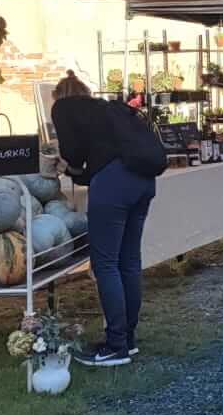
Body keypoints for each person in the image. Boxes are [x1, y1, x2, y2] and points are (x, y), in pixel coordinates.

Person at [50, 71, 166, 368]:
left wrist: (66, 165)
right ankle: (128, 338)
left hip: (112, 187)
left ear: (60, 96)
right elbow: (97, 164)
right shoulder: (108, 110)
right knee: (129, 261)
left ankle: (115, 345)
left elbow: (74, 156)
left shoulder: (64, 109)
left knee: (105, 264)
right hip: (143, 182)